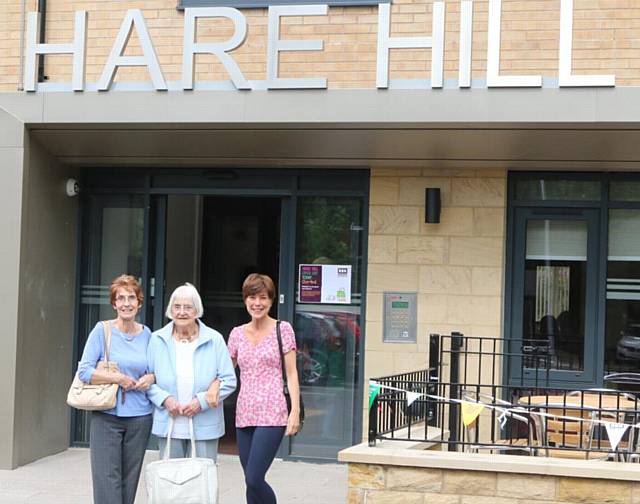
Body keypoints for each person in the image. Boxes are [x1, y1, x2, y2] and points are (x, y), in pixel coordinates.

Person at [77, 274, 155, 504]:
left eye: (131, 297)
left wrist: (150, 377)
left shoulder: (148, 335)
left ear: (139, 302)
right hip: (106, 415)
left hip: (139, 417)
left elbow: (155, 370)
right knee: (107, 483)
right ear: (114, 304)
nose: (126, 303)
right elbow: (84, 371)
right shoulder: (102, 331)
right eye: (120, 298)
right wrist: (119, 378)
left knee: (128, 484)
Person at [227, 273, 301, 504]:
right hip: (244, 412)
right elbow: (226, 373)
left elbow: (291, 373)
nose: (257, 303)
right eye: (252, 297)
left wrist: (295, 412)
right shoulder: (237, 334)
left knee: (254, 477)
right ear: (245, 299)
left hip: (273, 413)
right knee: (250, 481)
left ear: (270, 301)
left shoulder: (283, 329)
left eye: (262, 297)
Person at [147, 282, 236, 462]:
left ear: (197, 311)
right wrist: (165, 399)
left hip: (205, 424)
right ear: (170, 310)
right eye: (177, 307)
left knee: (203, 483)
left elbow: (229, 380)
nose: (181, 312)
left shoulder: (214, 339)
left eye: (188, 307)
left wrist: (201, 402)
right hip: (169, 422)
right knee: (172, 483)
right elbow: (147, 379)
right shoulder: (157, 339)